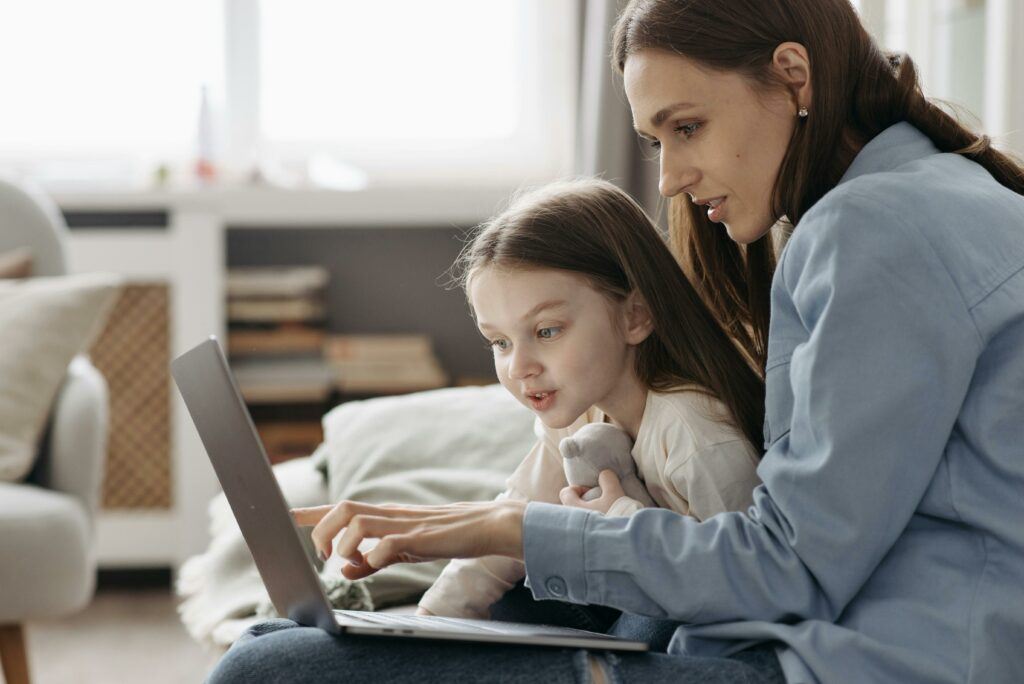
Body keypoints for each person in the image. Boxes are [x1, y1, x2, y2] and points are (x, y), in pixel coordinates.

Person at [207, 0, 1024, 682]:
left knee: (264, 671)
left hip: (859, 662)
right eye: (655, 140)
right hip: (856, 639)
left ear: (792, 76)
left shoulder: (873, 230)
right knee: (275, 647)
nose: (667, 177)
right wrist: (477, 526)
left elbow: (788, 569)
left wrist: (498, 529)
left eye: (689, 127)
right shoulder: (928, 195)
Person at [414, 179, 763, 638]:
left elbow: (751, 583)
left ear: (634, 316)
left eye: (547, 331)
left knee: (651, 625)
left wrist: (618, 519)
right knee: (513, 599)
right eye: (499, 342)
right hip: (634, 601)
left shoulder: (695, 435)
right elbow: (515, 516)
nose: (519, 367)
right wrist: (426, 623)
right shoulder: (578, 409)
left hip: (705, 618)